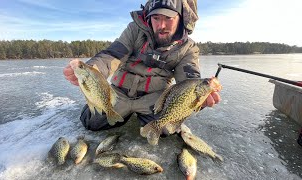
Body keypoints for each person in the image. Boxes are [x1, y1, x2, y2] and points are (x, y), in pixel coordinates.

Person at [63, 0, 221, 132]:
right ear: (149, 17)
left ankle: (143, 116)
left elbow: (189, 79)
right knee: (91, 122)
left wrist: (200, 97)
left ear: (180, 17)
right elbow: (112, 55)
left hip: (154, 98)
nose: (161, 25)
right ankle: (121, 113)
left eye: (168, 18)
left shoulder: (188, 48)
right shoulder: (134, 30)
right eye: (156, 18)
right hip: (120, 92)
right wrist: (91, 70)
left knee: (165, 129)